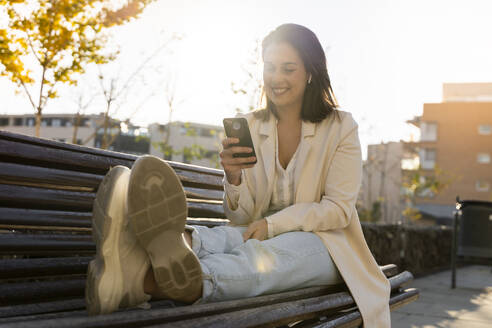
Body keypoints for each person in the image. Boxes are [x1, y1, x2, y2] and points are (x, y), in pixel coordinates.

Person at [85, 23, 391, 327]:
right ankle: (138, 259)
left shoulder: (340, 127)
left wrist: (274, 224)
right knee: (220, 237)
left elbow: (337, 210)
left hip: (325, 246)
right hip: (255, 229)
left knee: (266, 259)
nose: (276, 78)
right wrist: (233, 178)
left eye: (288, 69)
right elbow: (240, 216)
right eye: (270, 68)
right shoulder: (251, 126)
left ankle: (145, 281)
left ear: (310, 72)